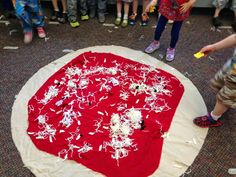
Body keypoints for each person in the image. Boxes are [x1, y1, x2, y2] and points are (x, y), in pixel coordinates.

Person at [194, 34, 236, 128]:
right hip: (232, 66)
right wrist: (214, 47)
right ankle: (226, 102)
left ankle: (213, 119)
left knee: (225, 98)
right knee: (219, 82)